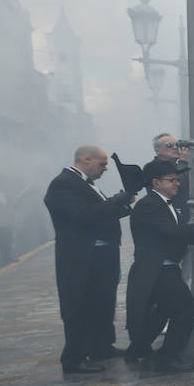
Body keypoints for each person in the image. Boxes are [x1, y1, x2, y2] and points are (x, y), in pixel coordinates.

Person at [125, 160, 194, 371]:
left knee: (162, 312)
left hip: (165, 268)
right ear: (156, 183)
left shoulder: (165, 205)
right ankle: (166, 358)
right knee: (186, 310)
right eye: (171, 180)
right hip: (158, 270)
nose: (177, 184)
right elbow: (173, 233)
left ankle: (137, 350)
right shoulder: (149, 206)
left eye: (177, 180)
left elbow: (180, 233)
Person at [44, 146, 135, 374]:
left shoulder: (85, 183)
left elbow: (99, 212)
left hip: (101, 256)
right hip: (80, 257)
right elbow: (83, 215)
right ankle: (74, 357)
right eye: (102, 164)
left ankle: (101, 346)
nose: (105, 169)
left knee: (103, 302)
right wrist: (118, 199)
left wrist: (122, 206)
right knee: (79, 305)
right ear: (86, 160)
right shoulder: (64, 183)